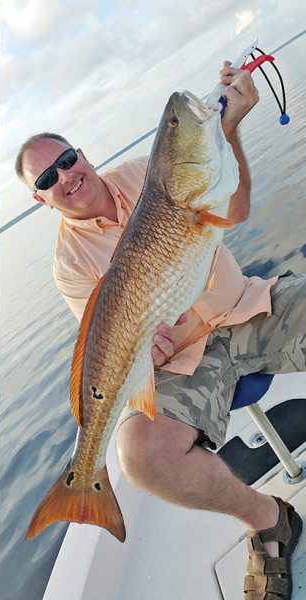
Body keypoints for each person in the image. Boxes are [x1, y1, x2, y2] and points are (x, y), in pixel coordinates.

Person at [15, 63, 305, 600]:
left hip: (248, 308)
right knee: (141, 456)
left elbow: (234, 209)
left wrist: (231, 128)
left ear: (84, 154)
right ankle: (268, 522)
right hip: (185, 363)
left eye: (65, 159)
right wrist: (147, 343)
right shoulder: (69, 266)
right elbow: (127, 344)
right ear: (41, 199)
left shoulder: (151, 175)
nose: (64, 176)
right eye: (46, 178)